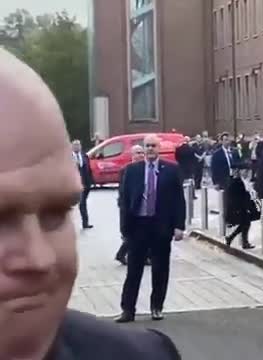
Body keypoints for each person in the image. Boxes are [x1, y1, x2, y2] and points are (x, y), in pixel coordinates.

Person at [0, 48, 180, 360]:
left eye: (56, 213)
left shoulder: (143, 356)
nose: (39, 259)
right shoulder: (132, 171)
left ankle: (155, 304)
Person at [117, 134, 186, 323]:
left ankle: (156, 306)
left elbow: (179, 200)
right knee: (134, 270)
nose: (150, 149)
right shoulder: (131, 171)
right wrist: (124, 227)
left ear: (159, 148)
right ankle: (128, 310)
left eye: (153, 146)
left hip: (161, 226)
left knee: (160, 268)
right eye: (147, 146)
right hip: (138, 225)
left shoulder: (171, 170)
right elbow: (124, 200)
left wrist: (179, 226)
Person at [114, 145, 150, 266]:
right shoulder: (126, 170)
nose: (140, 155)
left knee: (143, 232)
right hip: (129, 206)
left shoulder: (147, 168)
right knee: (132, 233)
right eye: (137, 153)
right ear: (132, 155)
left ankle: (143, 256)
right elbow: (123, 190)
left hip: (144, 206)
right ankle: (122, 254)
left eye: (142, 153)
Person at [224, 167, 257, 249]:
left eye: (247, 171)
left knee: (245, 223)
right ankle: (242, 242)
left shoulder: (241, 181)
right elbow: (237, 197)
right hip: (237, 209)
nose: (246, 173)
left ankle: (232, 238)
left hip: (241, 207)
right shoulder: (236, 182)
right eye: (245, 171)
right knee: (246, 223)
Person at [72, 139, 94, 229]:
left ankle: (85, 223)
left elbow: (89, 170)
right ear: (72, 147)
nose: (77, 147)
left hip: (85, 184)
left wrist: (91, 182)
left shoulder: (84, 156)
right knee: (79, 203)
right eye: (75, 145)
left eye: (78, 145)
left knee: (83, 203)